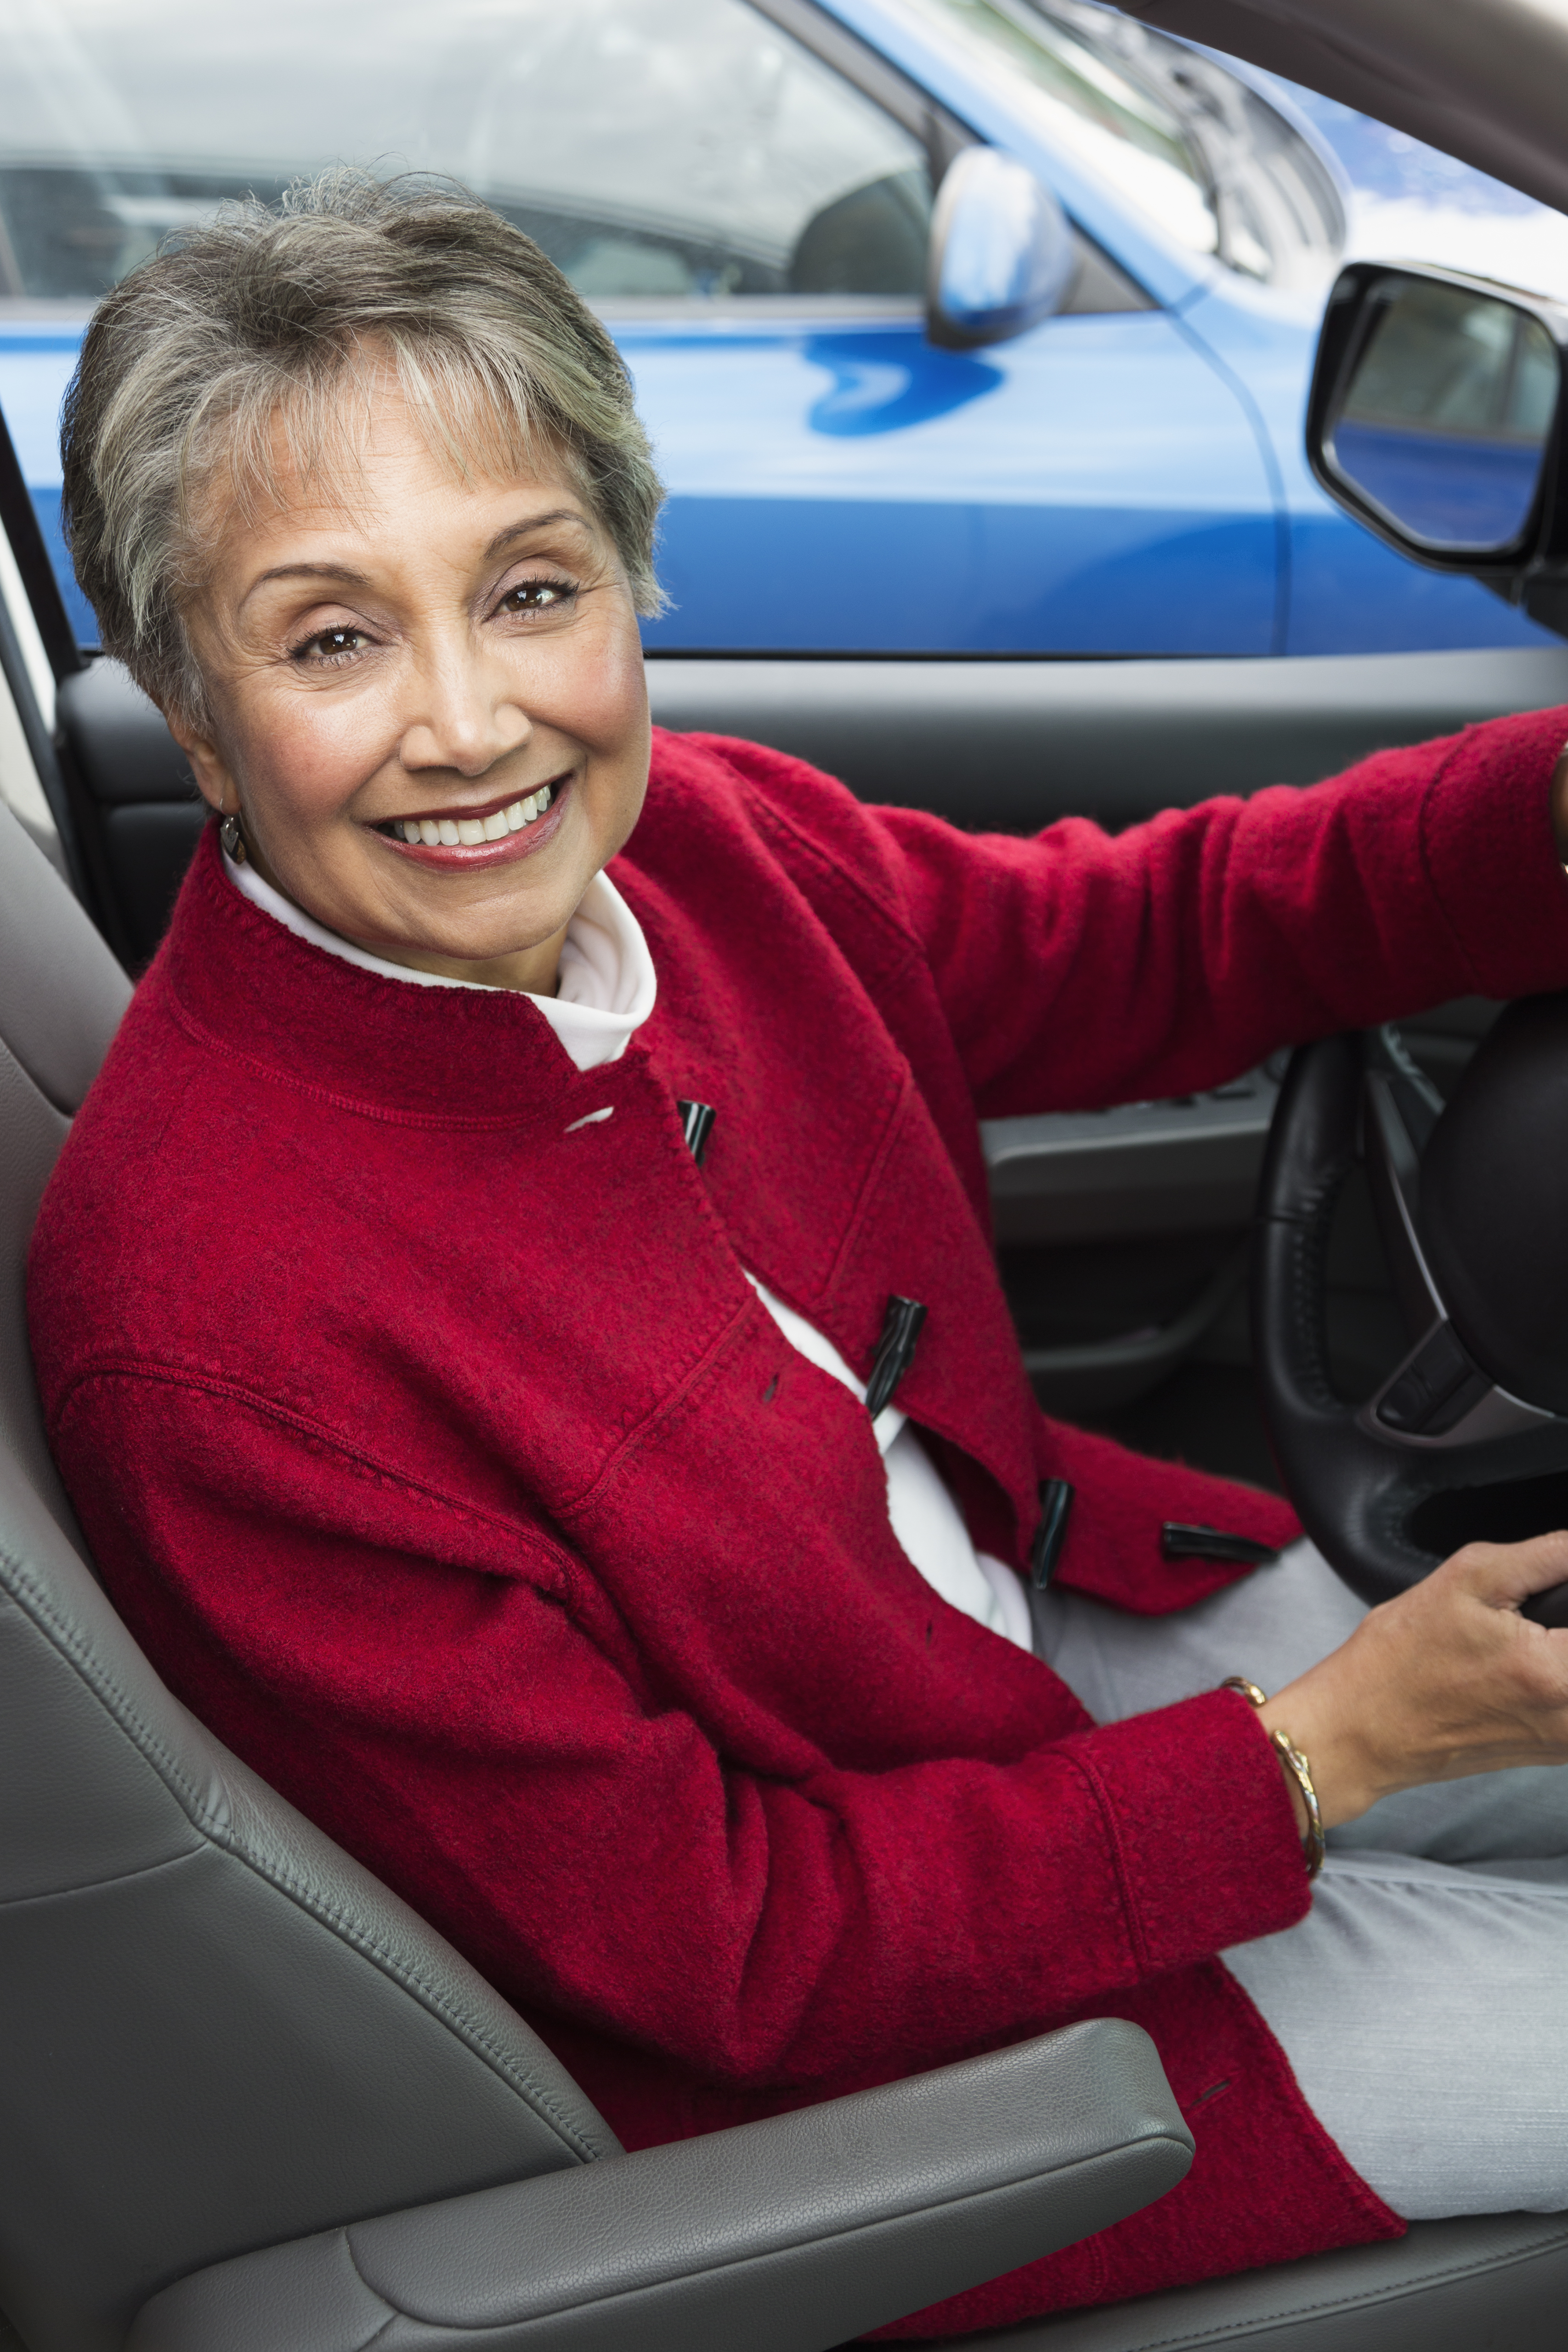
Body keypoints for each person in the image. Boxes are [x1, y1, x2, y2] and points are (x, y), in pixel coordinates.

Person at [27, 169, 1568, 2337]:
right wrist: (1325, 1755)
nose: (471, 724)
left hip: (1024, 1663)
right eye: (333, 637)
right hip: (909, 2050)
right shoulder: (209, 1325)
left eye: (531, 590)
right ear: (196, 716)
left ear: (634, 584)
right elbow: (730, 1947)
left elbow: (1153, 935)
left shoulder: (713, 850)